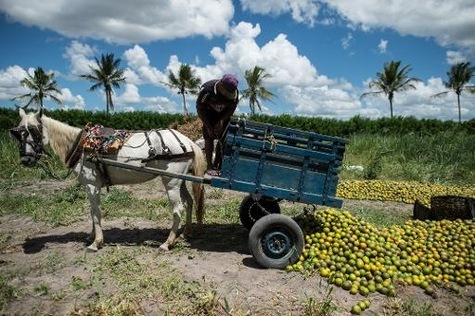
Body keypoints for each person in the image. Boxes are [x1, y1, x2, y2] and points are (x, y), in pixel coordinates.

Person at [196, 74, 239, 176]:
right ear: (221, 86)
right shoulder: (207, 89)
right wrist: (208, 126)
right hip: (208, 115)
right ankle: (210, 166)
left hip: (223, 116)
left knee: (223, 139)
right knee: (209, 138)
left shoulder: (235, 92)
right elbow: (199, 108)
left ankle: (219, 164)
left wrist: (222, 121)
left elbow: (232, 108)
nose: (228, 95)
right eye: (227, 93)